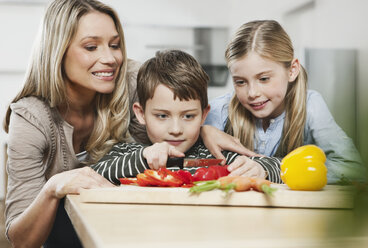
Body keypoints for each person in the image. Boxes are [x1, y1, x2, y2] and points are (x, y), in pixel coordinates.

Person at [2, 0, 143, 247]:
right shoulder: (30, 118)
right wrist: (53, 186)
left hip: (129, 232)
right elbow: (21, 241)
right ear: (58, 50)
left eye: (115, 45)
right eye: (91, 47)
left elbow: (185, 110)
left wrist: (206, 130)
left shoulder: (133, 80)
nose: (110, 58)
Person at [204, 20, 365, 183]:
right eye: (240, 82)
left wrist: (272, 169)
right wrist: (203, 132)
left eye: (264, 78)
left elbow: (353, 170)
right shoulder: (219, 109)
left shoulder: (310, 105)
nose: (252, 93)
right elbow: (196, 167)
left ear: (292, 70)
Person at [92, 50, 282, 185]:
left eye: (188, 116)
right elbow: (94, 174)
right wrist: (142, 158)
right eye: (162, 116)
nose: (176, 129)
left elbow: (282, 167)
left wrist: (260, 169)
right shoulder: (127, 154)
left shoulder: (216, 156)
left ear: (203, 115)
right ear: (141, 114)